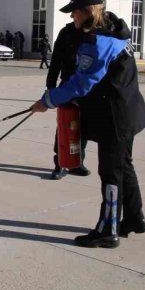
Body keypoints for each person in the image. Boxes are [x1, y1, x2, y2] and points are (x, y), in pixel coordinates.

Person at [30, 0, 145, 248]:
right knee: (123, 166)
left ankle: (108, 229)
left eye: (74, 12)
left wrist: (47, 101)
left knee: (110, 173)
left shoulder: (98, 42)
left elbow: (82, 84)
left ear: (86, 12)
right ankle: (135, 218)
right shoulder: (115, 31)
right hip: (127, 112)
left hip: (114, 118)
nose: (71, 16)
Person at [47, 18, 91, 180]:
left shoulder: (96, 32)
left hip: (87, 89)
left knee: (83, 129)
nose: (74, 17)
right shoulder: (66, 33)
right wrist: (51, 86)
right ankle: (60, 164)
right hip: (67, 86)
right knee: (65, 126)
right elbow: (56, 60)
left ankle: (77, 163)